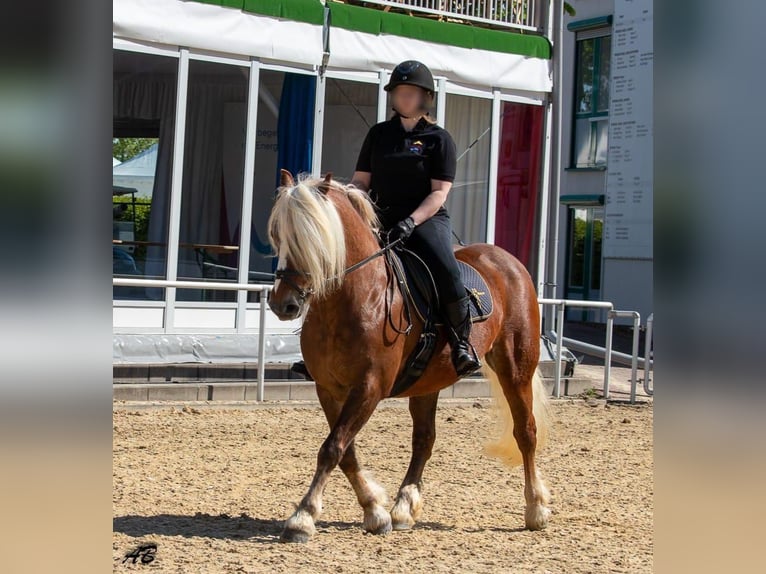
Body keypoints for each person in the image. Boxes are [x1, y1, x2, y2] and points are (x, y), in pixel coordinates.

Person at [349, 60, 481, 376]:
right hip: (378, 218)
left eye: (411, 93)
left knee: (446, 269)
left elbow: (438, 194)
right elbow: (360, 181)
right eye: (399, 93)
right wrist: (349, 199)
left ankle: (461, 343)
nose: (404, 98)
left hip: (424, 219)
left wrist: (411, 222)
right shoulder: (378, 135)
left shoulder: (439, 139)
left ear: (425, 97)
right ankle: (320, 344)